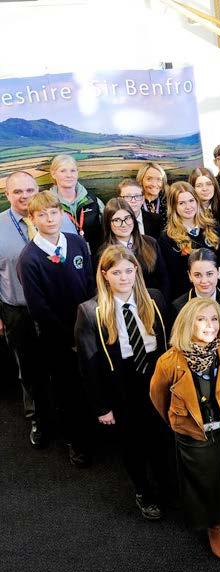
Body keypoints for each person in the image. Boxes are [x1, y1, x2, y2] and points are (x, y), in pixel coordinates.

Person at [150, 297, 220, 560]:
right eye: (201, 319)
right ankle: (214, 525)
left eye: (215, 319)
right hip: (193, 432)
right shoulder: (169, 361)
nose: (210, 325)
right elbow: (159, 397)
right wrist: (180, 422)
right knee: (204, 479)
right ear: (187, 323)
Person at [75, 246, 171, 520]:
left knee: (160, 436)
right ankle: (143, 491)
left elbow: (168, 343)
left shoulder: (154, 299)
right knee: (132, 442)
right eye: (116, 272)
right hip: (122, 383)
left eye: (129, 270)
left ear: (136, 271)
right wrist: (101, 407)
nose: (124, 277)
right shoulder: (91, 311)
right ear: (105, 275)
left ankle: (166, 485)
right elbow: (89, 366)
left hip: (154, 375)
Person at [17, 191, 96, 465]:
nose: (49, 219)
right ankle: (76, 442)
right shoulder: (29, 259)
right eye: (42, 215)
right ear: (32, 219)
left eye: (53, 212)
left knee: (91, 384)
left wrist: (91, 326)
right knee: (67, 390)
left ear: (62, 214)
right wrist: (70, 337)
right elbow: (39, 308)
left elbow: (89, 283)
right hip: (59, 339)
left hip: (88, 330)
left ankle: (97, 432)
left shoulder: (76, 243)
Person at [0, 172, 78, 448]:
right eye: (17, 191)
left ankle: (70, 423)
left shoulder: (62, 220)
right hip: (19, 312)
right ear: (7, 194)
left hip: (59, 312)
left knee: (63, 368)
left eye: (29, 190)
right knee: (30, 370)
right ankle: (39, 420)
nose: (24, 196)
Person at [158, 182, 220, 297]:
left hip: (215, 294)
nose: (188, 207)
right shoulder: (167, 238)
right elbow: (170, 277)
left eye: (191, 201)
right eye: (181, 203)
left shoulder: (214, 228)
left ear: (197, 201)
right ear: (173, 206)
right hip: (186, 297)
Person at [171, 248, 220, 346]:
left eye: (209, 274)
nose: (204, 281)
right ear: (190, 276)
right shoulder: (179, 306)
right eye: (197, 275)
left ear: (219, 272)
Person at [100, 198, 170, 300]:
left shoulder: (150, 243)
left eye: (127, 218)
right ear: (108, 223)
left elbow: (164, 279)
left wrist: (162, 303)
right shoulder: (103, 252)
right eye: (117, 220)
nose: (124, 224)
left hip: (153, 301)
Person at [48, 154, 104, 253]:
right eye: (63, 171)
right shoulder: (47, 204)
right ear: (53, 174)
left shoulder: (93, 201)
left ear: (78, 173)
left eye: (73, 171)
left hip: (95, 257)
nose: (69, 175)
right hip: (63, 258)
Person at [137, 162, 168, 229]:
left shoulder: (169, 202)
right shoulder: (135, 202)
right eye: (149, 179)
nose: (154, 184)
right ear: (141, 180)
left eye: (159, 179)